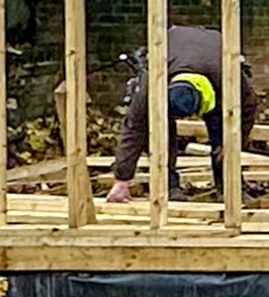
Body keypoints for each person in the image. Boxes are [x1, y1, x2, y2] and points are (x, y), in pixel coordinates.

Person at [107, 25, 249, 202]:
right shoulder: (155, 80)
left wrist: (233, 142)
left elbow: (249, 106)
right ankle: (168, 186)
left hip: (213, 56)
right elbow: (135, 127)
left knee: (222, 131)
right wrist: (122, 179)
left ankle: (230, 188)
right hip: (175, 51)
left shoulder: (229, 76)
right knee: (158, 129)